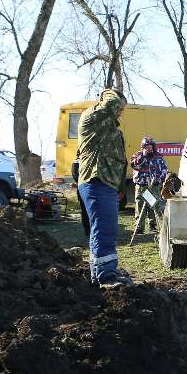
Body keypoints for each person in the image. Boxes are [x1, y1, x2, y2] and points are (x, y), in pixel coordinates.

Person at [77, 88, 131, 287]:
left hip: (106, 184)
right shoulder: (93, 117)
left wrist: (119, 188)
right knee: (105, 229)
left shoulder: (110, 128)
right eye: (120, 107)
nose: (120, 112)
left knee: (102, 229)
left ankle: (100, 274)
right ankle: (106, 277)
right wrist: (111, 93)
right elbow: (110, 104)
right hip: (96, 180)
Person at [129, 136, 168, 234]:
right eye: (147, 147)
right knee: (139, 205)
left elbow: (164, 169)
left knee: (153, 205)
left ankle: (152, 226)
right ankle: (139, 227)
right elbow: (134, 165)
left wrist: (160, 179)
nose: (149, 148)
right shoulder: (137, 155)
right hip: (142, 186)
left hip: (153, 186)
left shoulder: (158, 156)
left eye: (150, 146)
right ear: (142, 147)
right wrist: (143, 156)